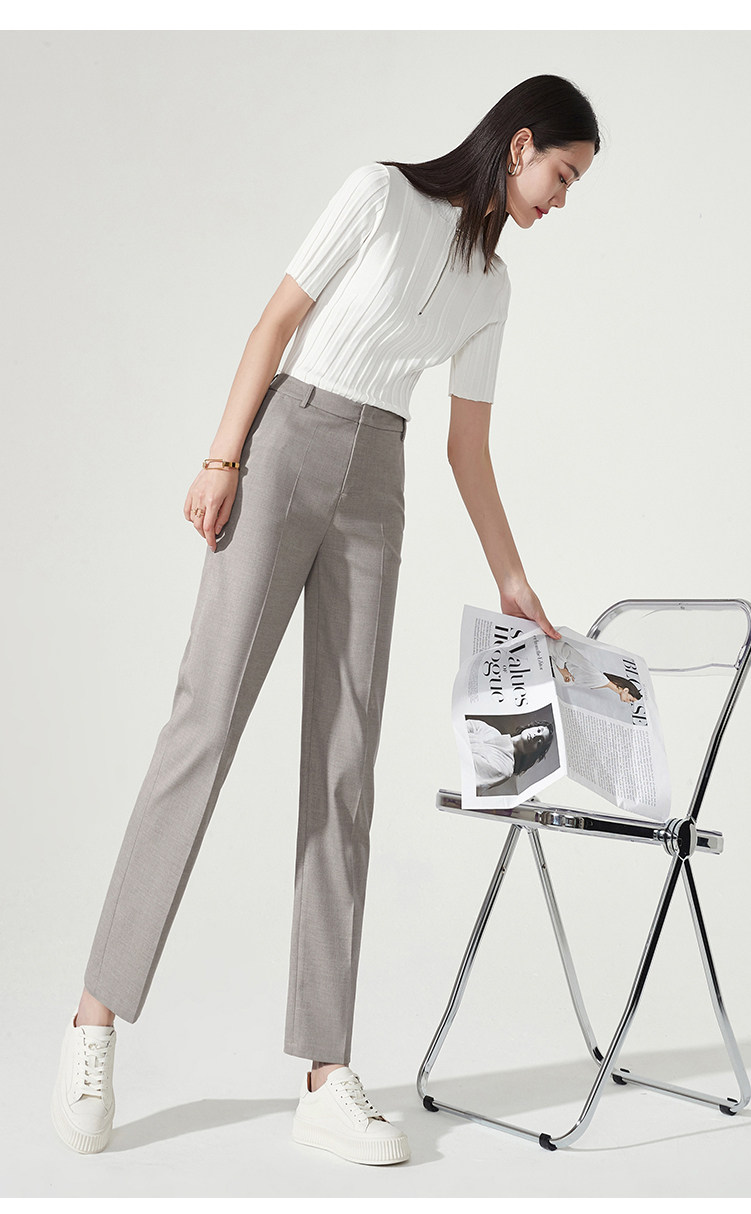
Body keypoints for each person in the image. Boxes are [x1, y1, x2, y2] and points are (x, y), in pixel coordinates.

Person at [51, 73, 600, 1165]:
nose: (561, 198)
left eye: (573, 184)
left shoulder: (492, 287)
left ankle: (325, 1071)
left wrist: (513, 579)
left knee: (346, 766)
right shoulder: (380, 194)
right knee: (203, 727)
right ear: (519, 144)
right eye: (562, 173)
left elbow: (468, 449)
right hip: (286, 448)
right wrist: (222, 459)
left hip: (376, 481)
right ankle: (92, 1020)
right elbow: (277, 322)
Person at [466, 719, 554, 793]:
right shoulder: (491, 731)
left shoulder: (504, 768)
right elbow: (462, 726)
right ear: (531, 727)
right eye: (538, 730)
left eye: (539, 742)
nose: (535, 736)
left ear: (533, 753)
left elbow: (467, 768)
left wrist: (469, 738)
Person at [549, 637, 642, 703]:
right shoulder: (599, 678)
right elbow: (564, 649)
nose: (628, 702)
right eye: (630, 700)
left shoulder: (602, 683)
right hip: (546, 656)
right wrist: (562, 670)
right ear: (625, 690)